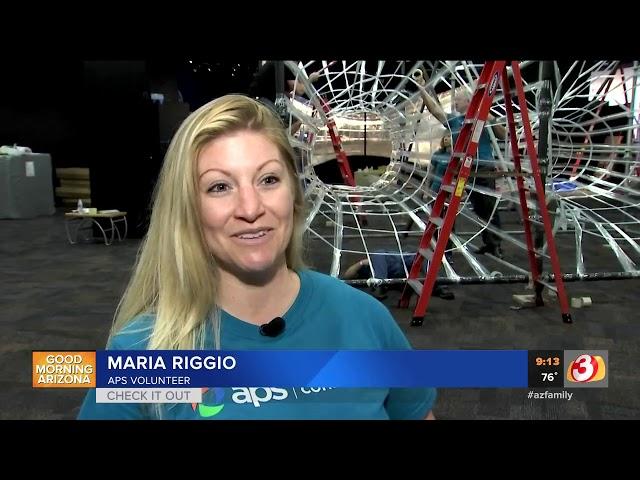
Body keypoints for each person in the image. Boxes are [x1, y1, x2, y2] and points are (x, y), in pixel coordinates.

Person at [78, 94, 436, 420]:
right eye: (220, 187)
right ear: (187, 210)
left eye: (267, 180)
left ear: (293, 195)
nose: (251, 208)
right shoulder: (142, 353)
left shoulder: (364, 318)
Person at [417, 77, 507, 258]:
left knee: (487, 209)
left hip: (483, 169)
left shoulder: (483, 117)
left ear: (468, 101)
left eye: (457, 100)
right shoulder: (455, 121)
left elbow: (503, 134)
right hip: (462, 171)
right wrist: (421, 87)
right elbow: (434, 109)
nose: (454, 103)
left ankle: (493, 245)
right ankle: (445, 245)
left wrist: (489, 116)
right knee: (449, 207)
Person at [342, 249, 455, 301]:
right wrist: (361, 263)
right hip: (393, 274)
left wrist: (365, 261)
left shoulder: (376, 259)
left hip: (395, 258)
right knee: (378, 254)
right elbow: (346, 276)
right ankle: (380, 285)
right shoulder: (364, 273)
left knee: (422, 255)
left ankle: (438, 285)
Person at [248, 61, 321, 135]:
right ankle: (283, 141)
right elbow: (299, 90)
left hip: (257, 101)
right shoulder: (286, 65)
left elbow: (282, 91)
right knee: (296, 121)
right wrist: (311, 79)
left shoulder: (274, 65)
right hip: (269, 103)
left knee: (282, 124)